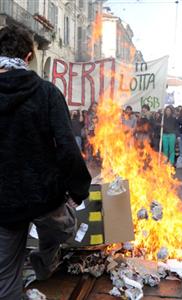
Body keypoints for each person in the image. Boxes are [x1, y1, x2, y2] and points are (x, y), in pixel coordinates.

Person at [0, 25, 91, 300]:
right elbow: (67, 146)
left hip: (4, 202)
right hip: (44, 195)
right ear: (28, 56)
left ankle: (33, 268)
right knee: (64, 226)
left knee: (5, 278)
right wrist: (79, 189)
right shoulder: (47, 92)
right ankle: (43, 259)